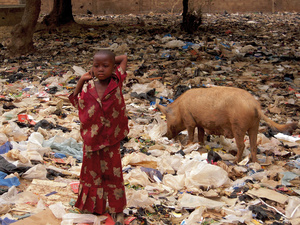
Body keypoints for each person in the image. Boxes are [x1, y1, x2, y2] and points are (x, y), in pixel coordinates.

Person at [69, 50, 129, 225]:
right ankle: (93, 207)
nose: (101, 69)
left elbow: (123, 57)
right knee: (91, 173)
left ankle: (117, 209)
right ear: (91, 67)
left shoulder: (117, 80)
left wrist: (110, 59)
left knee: (113, 173)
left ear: (113, 67)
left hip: (111, 138)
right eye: (97, 66)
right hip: (92, 138)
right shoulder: (88, 87)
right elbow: (74, 100)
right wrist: (82, 79)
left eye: (106, 66)